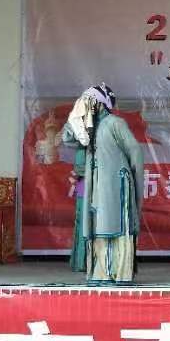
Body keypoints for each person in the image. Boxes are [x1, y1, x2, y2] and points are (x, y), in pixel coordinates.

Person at [61, 83, 144, 284]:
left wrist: (133, 181)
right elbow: (67, 138)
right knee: (97, 226)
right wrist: (77, 116)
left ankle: (120, 273)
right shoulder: (87, 129)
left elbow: (134, 151)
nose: (85, 104)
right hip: (96, 186)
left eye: (89, 100)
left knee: (115, 225)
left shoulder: (115, 123)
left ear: (100, 103)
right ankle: (101, 272)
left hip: (116, 184)